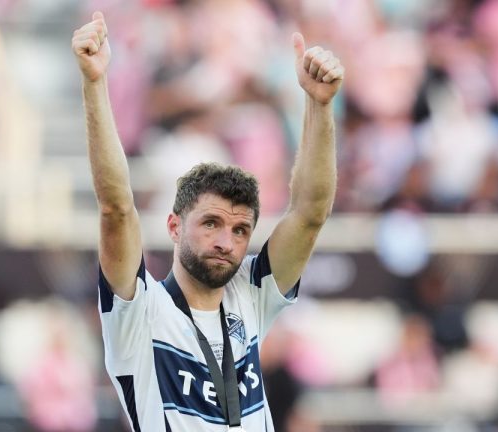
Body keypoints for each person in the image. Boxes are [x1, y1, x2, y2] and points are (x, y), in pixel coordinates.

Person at [71, 10, 343, 432]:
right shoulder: (139, 312)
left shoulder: (252, 296)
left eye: (240, 230)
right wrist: (94, 83)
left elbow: (309, 214)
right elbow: (116, 207)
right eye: (210, 223)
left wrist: (319, 106)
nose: (225, 241)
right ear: (174, 226)